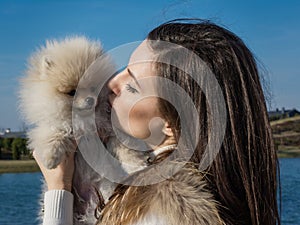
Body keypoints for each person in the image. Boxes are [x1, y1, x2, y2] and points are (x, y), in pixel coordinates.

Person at [34, 19, 281, 225]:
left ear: (171, 123)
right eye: (123, 69)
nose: (110, 84)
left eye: (131, 85)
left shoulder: (165, 210)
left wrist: (59, 188)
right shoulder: (148, 187)